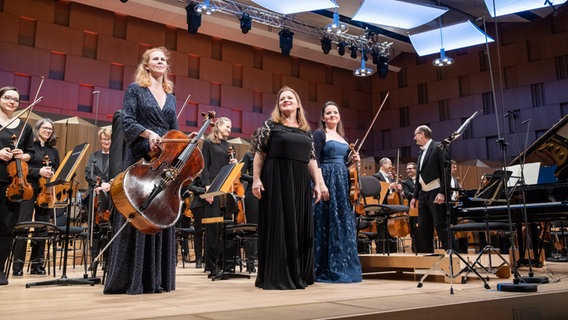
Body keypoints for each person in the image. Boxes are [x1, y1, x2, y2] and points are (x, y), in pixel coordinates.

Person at [103, 47, 178, 294]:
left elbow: (174, 130)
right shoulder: (136, 90)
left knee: (160, 208)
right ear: (146, 65)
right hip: (140, 157)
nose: (160, 62)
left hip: (162, 161)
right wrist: (148, 133)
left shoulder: (171, 95)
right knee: (140, 210)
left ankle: (157, 278)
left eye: (163, 60)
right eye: (155, 58)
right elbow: (126, 120)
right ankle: (132, 278)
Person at [252, 86, 327, 290]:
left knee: (299, 225)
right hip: (276, 177)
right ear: (278, 104)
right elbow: (260, 153)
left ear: (297, 103)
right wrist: (256, 179)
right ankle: (278, 274)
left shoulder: (305, 130)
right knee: (279, 223)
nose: (286, 100)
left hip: (300, 180)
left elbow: (311, 159)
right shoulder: (271, 125)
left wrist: (318, 183)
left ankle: (299, 272)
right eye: (282, 98)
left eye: (290, 98)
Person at [312, 101, 362, 283]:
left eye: (335, 112)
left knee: (341, 222)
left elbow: (344, 164)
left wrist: (353, 161)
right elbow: (315, 160)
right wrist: (321, 184)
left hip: (341, 181)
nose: (333, 115)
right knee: (325, 222)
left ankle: (342, 264)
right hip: (326, 178)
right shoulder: (319, 134)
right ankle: (324, 267)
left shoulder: (342, 137)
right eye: (329, 113)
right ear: (323, 117)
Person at [12, 118, 60, 277]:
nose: (48, 131)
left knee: (42, 227)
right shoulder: (30, 148)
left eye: (50, 129)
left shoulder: (53, 151)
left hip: (45, 191)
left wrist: (53, 174)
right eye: (45, 128)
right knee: (23, 225)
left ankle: (37, 264)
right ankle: (17, 265)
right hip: (28, 188)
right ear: (38, 128)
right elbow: (22, 168)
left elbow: (57, 170)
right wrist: (38, 172)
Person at [0, 86, 35, 285]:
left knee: (6, 227)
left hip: (14, 183)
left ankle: (0, 270)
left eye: (15, 99)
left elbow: (32, 153)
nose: (12, 102)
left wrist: (24, 155)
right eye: (8, 98)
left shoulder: (25, 127)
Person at [200, 117, 238, 275]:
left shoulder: (229, 146)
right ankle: (211, 265)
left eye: (230, 127)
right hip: (212, 187)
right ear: (219, 125)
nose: (229, 130)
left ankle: (224, 263)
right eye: (227, 127)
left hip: (225, 188)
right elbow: (204, 166)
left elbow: (226, 168)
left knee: (225, 226)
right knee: (213, 227)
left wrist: (233, 164)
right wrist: (208, 187)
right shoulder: (209, 143)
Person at [409, 125, 451, 253]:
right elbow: (419, 176)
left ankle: (451, 254)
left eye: (415, 135)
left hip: (436, 191)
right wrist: (414, 196)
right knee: (423, 226)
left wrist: (442, 193)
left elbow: (446, 172)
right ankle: (426, 256)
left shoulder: (438, 147)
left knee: (440, 225)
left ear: (422, 134)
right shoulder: (421, 152)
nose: (414, 138)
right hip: (423, 194)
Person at [84, 127, 111, 270]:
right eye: (104, 139)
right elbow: (88, 174)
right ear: (100, 140)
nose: (106, 141)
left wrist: (107, 185)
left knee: (107, 228)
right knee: (94, 229)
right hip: (94, 195)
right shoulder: (93, 156)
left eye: (109, 138)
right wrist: (98, 184)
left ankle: (107, 262)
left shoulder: (116, 157)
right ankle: (93, 261)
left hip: (109, 196)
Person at [239, 129, 260, 273]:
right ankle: (251, 261)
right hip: (252, 192)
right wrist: (255, 179)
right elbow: (239, 174)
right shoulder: (248, 154)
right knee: (252, 228)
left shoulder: (270, 154)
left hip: (268, 192)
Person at [372, 157, 402, 253]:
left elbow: (392, 195)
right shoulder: (376, 176)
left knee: (391, 233)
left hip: (390, 209)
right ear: (383, 165)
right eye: (389, 164)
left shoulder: (389, 178)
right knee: (382, 233)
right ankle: (382, 253)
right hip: (381, 209)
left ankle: (393, 252)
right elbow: (376, 192)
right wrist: (389, 186)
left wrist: (397, 188)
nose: (391, 166)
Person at [401, 161, 420, 253]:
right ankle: (415, 250)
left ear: (415, 169)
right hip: (413, 209)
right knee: (414, 231)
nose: (408, 170)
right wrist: (417, 195)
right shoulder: (405, 182)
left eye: (410, 168)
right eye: (407, 169)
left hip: (423, 208)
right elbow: (407, 194)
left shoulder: (421, 180)